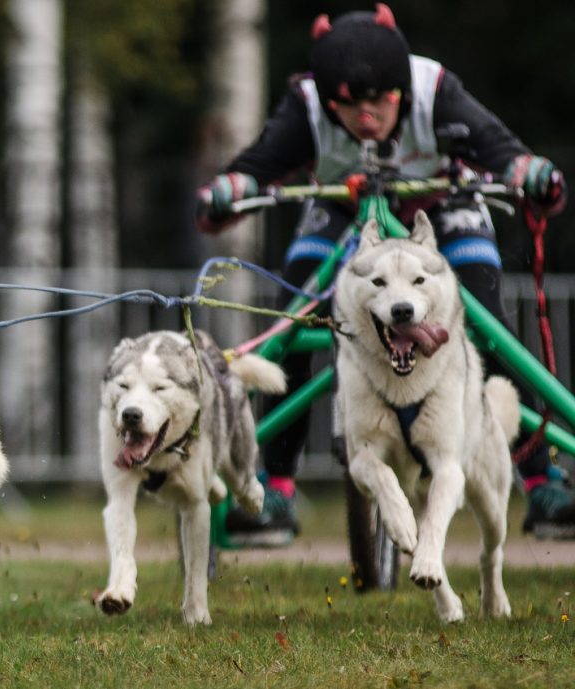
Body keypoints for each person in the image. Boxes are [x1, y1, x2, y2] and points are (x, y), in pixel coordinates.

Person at [195, 4, 572, 546]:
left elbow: (502, 151)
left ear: (401, 91)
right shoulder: (305, 102)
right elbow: (256, 168)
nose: (364, 115)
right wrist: (227, 191)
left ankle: (541, 480)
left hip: (441, 210)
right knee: (292, 314)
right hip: (346, 212)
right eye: (347, 106)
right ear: (328, 98)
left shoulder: (435, 86)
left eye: (379, 100)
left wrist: (528, 172)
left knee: (489, 321)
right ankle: (273, 484)